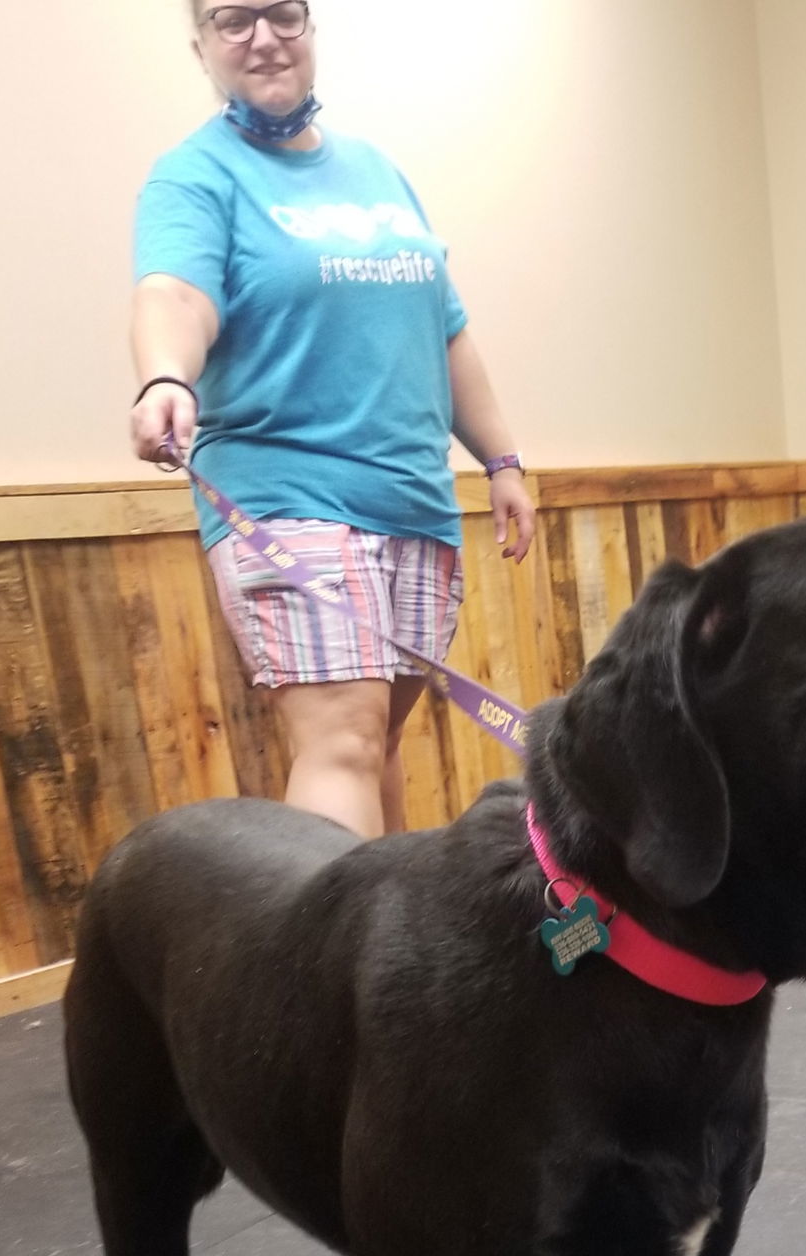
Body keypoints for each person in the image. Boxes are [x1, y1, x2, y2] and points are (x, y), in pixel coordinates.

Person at [130, 0, 535, 838]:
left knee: (376, 741)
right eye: (234, 20)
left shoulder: (379, 172)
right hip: (288, 493)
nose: (264, 37)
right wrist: (165, 376)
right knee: (341, 740)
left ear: (309, 26)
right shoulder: (196, 176)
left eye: (281, 13)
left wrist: (501, 461)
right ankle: (321, 969)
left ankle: (382, 960)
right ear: (200, 44)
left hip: (413, 502)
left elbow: (444, 327)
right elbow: (174, 290)